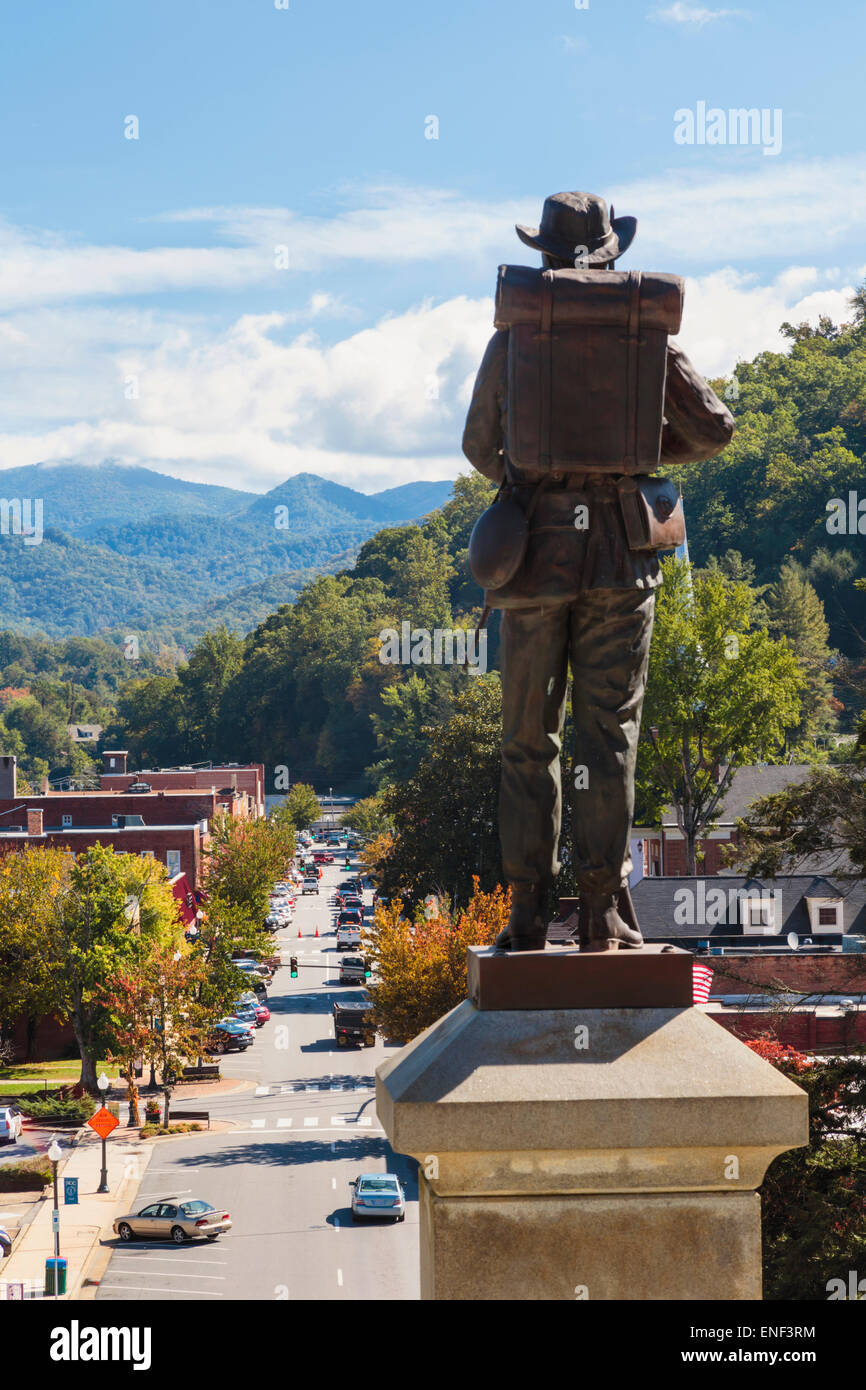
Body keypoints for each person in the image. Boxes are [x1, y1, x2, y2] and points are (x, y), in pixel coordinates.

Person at [462, 191, 734, 951]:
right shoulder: (647, 335)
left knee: (527, 740)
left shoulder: (515, 336)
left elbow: (479, 447)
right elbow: (714, 428)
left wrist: (539, 474)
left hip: (535, 560)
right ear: (610, 253)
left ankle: (524, 914)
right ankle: (599, 913)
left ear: (545, 253)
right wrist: (635, 462)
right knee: (608, 740)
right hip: (621, 554)